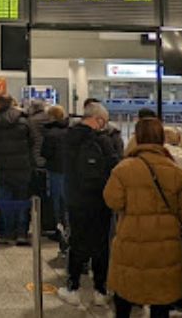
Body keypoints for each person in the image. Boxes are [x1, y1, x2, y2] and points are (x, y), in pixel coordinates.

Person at [103, 118, 182, 318]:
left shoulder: (123, 169)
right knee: (160, 298)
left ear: (137, 137)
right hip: (166, 247)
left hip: (131, 242)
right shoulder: (177, 172)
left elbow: (113, 201)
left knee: (126, 292)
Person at [57, 101, 120, 308]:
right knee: (101, 245)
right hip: (100, 201)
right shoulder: (104, 141)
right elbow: (114, 167)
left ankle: (73, 287)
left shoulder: (69, 137)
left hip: (76, 199)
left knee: (77, 241)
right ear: (98, 119)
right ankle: (100, 291)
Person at [0, 94, 33, 245]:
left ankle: (7, 232)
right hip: (22, 166)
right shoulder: (24, 120)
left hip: (2, 166)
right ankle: (22, 233)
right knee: (22, 200)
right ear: (12, 102)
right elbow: (32, 142)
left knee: (5, 200)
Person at [41, 104, 71, 253]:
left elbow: (45, 152)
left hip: (55, 170)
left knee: (56, 200)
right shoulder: (70, 131)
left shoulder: (50, 133)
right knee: (66, 200)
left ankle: (59, 228)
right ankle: (67, 230)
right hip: (69, 170)